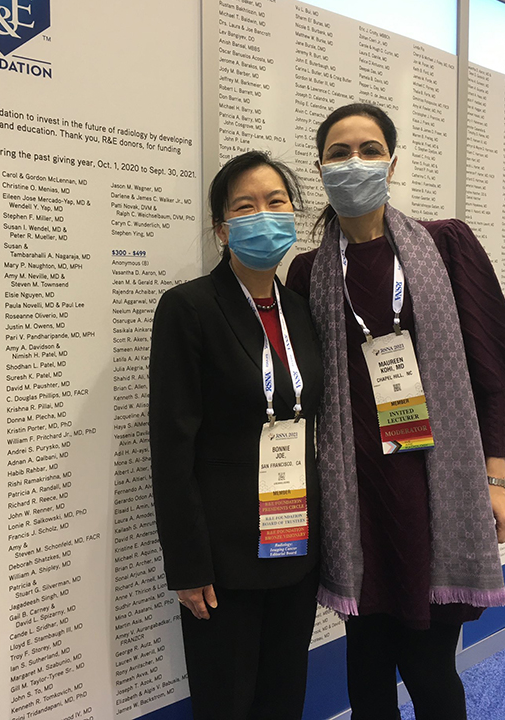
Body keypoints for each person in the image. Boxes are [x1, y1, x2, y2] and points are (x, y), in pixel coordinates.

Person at [286, 103, 505, 720]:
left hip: (435, 491)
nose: (354, 162)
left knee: (428, 665)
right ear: (320, 167)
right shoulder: (310, 271)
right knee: (364, 668)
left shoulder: (445, 244)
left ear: (393, 160)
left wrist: (496, 480)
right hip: (355, 497)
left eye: (369, 149)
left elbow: (494, 370)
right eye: (339, 153)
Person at [149, 151, 323, 720]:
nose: (264, 215)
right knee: (226, 703)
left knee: (283, 697)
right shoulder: (188, 308)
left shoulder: (302, 309)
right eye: (245, 206)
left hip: (294, 538)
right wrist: (188, 564)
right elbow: (172, 446)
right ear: (223, 228)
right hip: (223, 556)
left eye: (276, 202)